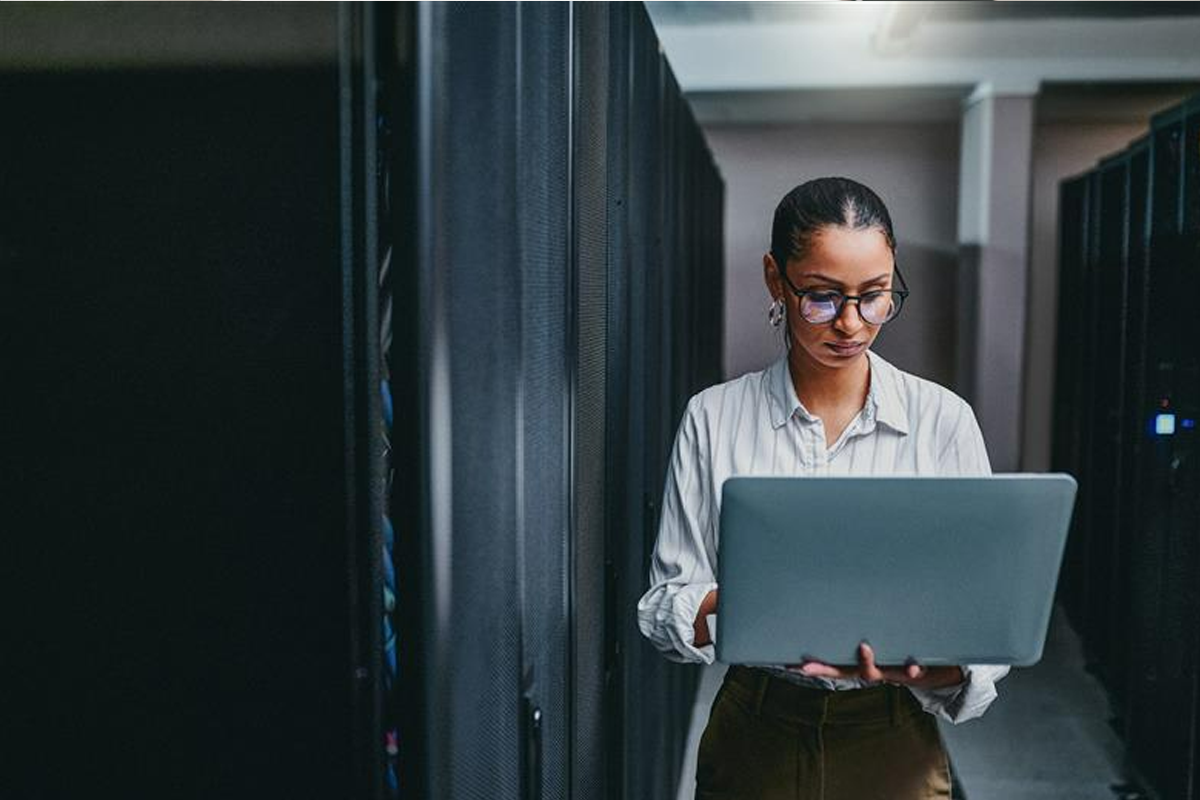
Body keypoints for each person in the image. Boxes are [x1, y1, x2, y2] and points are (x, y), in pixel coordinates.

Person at [636, 177, 1009, 800]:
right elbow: (663, 606)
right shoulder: (713, 417)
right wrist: (753, 602)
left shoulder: (944, 420)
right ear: (775, 279)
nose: (851, 323)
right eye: (821, 297)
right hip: (756, 728)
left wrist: (925, 665)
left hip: (893, 731)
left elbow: (986, 621)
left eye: (874, 296)